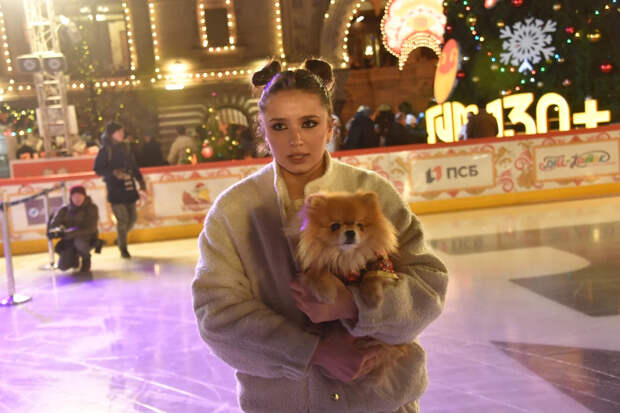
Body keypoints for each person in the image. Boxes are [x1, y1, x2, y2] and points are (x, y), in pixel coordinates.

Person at [192, 59, 448, 413]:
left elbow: (429, 287)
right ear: (263, 131)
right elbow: (217, 316)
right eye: (279, 126)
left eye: (309, 124)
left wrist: (354, 306)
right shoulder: (232, 211)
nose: (296, 140)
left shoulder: (371, 192)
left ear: (330, 128)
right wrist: (314, 351)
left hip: (380, 401)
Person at [93, 121, 146, 259]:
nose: (122, 134)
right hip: (115, 189)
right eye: (119, 132)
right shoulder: (105, 150)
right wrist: (113, 172)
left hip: (129, 187)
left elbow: (133, 166)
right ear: (111, 134)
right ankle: (123, 248)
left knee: (132, 218)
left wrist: (140, 180)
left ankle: (120, 237)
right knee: (122, 220)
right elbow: (98, 169)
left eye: (122, 131)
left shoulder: (126, 147)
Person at [47, 185, 99, 273]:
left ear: (84, 196)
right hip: (69, 240)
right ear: (71, 197)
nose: (77, 199)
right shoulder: (64, 209)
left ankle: (86, 259)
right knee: (63, 266)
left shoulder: (92, 208)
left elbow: (91, 228)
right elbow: (54, 224)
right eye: (74, 196)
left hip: (87, 238)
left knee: (79, 242)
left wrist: (69, 233)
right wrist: (56, 231)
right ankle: (73, 259)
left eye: (79, 196)